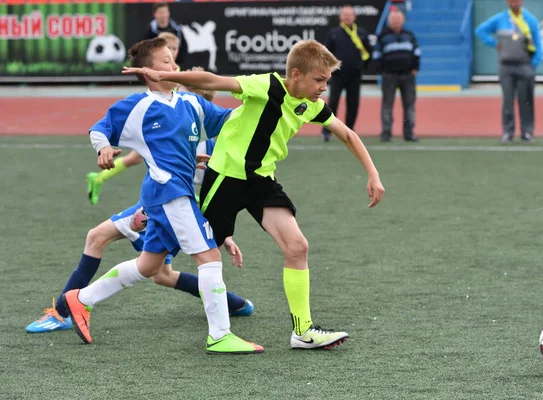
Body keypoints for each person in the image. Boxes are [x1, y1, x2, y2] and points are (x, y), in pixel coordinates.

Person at [123, 39, 386, 350]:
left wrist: (373, 173)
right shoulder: (266, 85)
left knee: (298, 246)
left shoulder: (311, 105)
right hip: (227, 177)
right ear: (297, 74)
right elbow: (213, 81)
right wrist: (167, 77)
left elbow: (347, 134)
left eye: (327, 81)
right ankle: (142, 224)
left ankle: (302, 332)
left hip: (261, 182)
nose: (323, 88)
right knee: (170, 258)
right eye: (319, 80)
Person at [62, 37, 263, 355]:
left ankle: (81, 299)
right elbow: (100, 128)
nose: (174, 64)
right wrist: (103, 148)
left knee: (149, 266)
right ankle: (221, 335)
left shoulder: (191, 103)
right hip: (169, 192)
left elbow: (228, 121)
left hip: (172, 194)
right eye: (166, 61)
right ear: (148, 71)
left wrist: (260, 104)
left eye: (173, 59)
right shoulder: (137, 106)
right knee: (208, 257)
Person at [26, 139, 254, 334]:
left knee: (98, 237)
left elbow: (212, 196)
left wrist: (224, 235)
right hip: (159, 203)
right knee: (162, 275)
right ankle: (234, 303)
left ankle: (64, 313)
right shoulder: (181, 126)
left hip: (169, 206)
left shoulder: (211, 142)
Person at [86, 32, 213, 205]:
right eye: (168, 53)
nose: (173, 53)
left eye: (175, 49)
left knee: (154, 162)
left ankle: (169, 198)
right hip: (159, 126)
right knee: (150, 163)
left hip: (170, 128)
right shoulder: (159, 88)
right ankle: (101, 180)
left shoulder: (176, 74)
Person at [475, 0, 543, 144]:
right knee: (507, 101)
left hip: (525, 65)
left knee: (526, 101)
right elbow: (480, 30)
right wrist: (494, 44)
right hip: (505, 67)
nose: (514, 2)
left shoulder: (530, 20)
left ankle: (527, 132)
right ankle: (508, 132)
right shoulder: (500, 19)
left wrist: (534, 64)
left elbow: (538, 44)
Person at [320, 5, 371, 142]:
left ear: (354, 17)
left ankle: (349, 132)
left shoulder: (361, 33)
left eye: (350, 14)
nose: (347, 17)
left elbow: (368, 52)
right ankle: (327, 131)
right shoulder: (333, 33)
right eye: (345, 14)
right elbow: (326, 54)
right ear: (340, 17)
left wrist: (361, 67)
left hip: (355, 76)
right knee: (333, 103)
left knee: (353, 104)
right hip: (337, 76)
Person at [373, 9, 420, 143]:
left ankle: (409, 133)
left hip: (408, 75)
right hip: (389, 76)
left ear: (403, 21)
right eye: (394, 20)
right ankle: (386, 133)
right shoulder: (382, 36)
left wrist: (415, 68)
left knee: (409, 106)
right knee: (387, 105)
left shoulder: (409, 35)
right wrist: (381, 70)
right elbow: (376, 55)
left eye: (398, 19)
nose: (396, 22)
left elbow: (416, 52)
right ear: (389, 21)